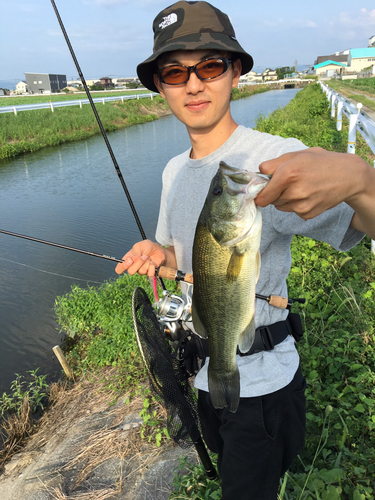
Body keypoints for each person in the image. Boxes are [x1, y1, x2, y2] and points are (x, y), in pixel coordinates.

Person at [115, 2, 375, 498]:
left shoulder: (274, 159)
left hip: (262, 385)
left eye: (210, 66)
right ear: (160, 87)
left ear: (235, 72)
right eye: (175, 72)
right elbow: (181, 257)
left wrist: (362, 180)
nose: (194, 84)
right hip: (203, 371)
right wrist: (159, 253)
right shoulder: (173, 171)